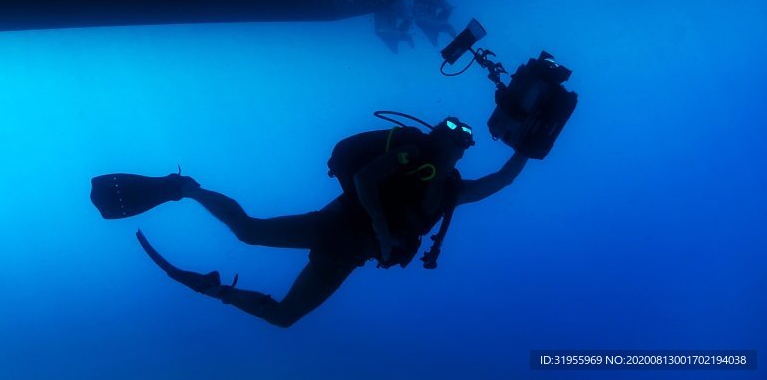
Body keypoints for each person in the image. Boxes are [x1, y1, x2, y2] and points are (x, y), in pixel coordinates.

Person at [91, 116, 531, 327]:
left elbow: (503, 179)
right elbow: (363, 177)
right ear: (440, 140)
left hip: (343, 254)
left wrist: (532, 142)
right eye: (457, 141)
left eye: (461, 145)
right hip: (336, 229)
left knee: (282, 312)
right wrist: (378, 225)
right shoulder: (411, 157)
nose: (461, 149)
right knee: (248, 231)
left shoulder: (452, 189)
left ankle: (214, 286)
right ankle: (185, 189)